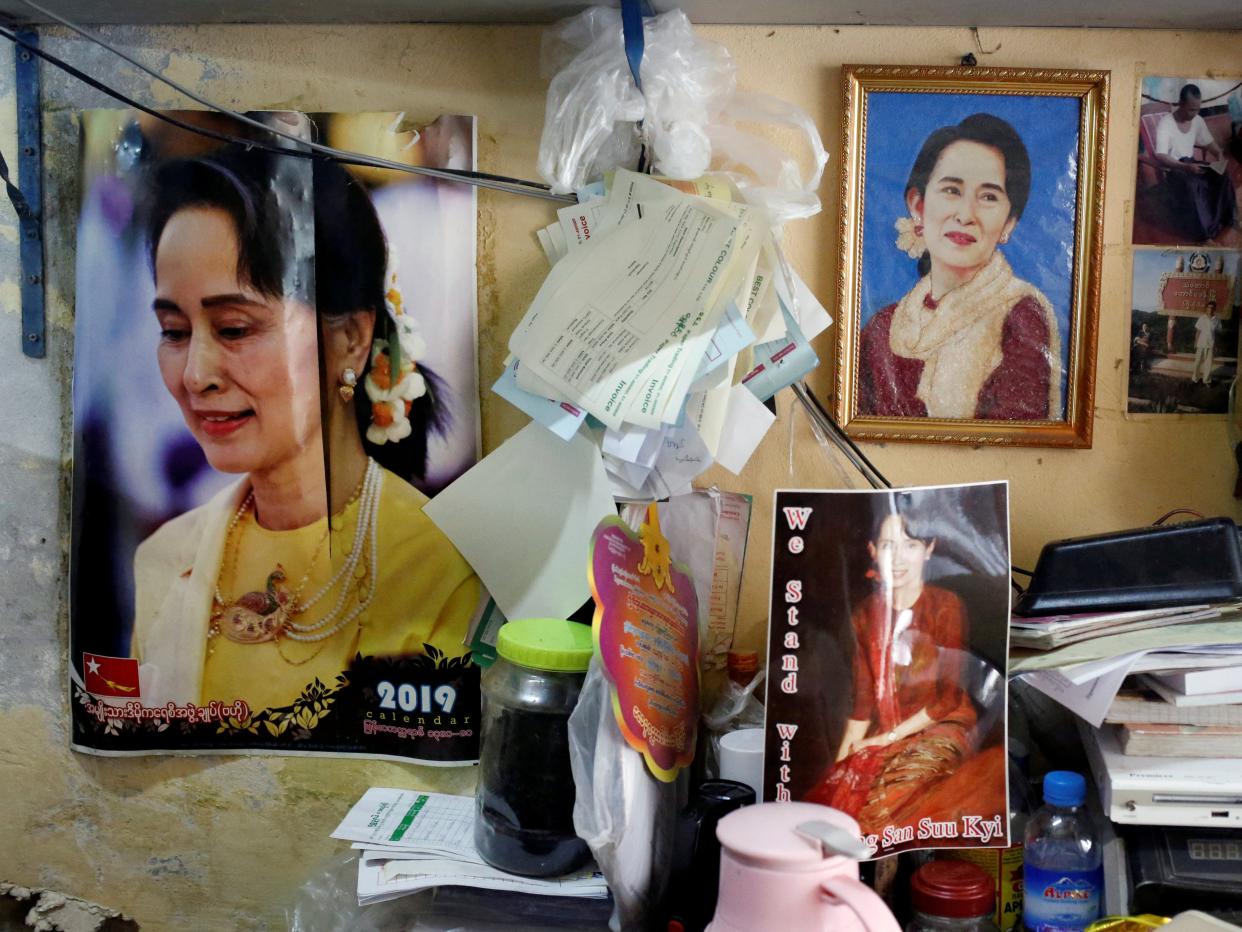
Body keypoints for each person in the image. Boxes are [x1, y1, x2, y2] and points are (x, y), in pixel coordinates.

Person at [131, 147, 482, 713]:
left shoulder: (440, 570)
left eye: (234, 328)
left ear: (351, 340)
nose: (195, 375)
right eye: (174, 330)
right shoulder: (166, 560)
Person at [859, 113, 1062, 421]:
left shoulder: (1021, 315)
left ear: (1008, 223)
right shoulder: (882, 328)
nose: (965, 214)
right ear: (918, 206)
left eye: (989, 196)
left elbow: (1013, 441)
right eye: (952, 190)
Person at [804, 505, 982, 835]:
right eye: (887, 545)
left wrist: (884, 740)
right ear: (873, 551)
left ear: (928, 550)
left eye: (910, 545)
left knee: (880, 808)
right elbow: (863, 702)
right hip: (888, 733)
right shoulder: (864, 614)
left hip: (943, 727)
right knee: (834, 799)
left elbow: (948, 701)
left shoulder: (946, 606)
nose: (898, 559)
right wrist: (841, 764)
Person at [1153, 84, 1237, 242]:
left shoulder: (1197, 120)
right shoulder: (1166, 123)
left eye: (1197, 109)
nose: (1195, 113)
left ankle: (1229, 219)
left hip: (1191, 163)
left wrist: (1218, 152)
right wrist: (1185, 167)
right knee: (1193, 185)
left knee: (1222, 175)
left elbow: (1208, 141)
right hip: (1174, 168)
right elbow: (1161, 156)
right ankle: (1205, 236)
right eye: (1191, 109)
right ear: (1181, 104)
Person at [1193, 298, 1222, 385]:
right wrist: (1195, 342)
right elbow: (1198, 332)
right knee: (1197, 363)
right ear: (1206, 308)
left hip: (1211, 345)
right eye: (1208, 307)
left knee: (1208, 365)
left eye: (1212, 307)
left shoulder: (1217, 320)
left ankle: (1206, 380)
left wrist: (1216, 345)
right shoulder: (1202, 318)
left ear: (1214, 309)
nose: (1210, 309)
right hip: (1201, 344)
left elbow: (1217, 333)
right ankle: (1195, 379)